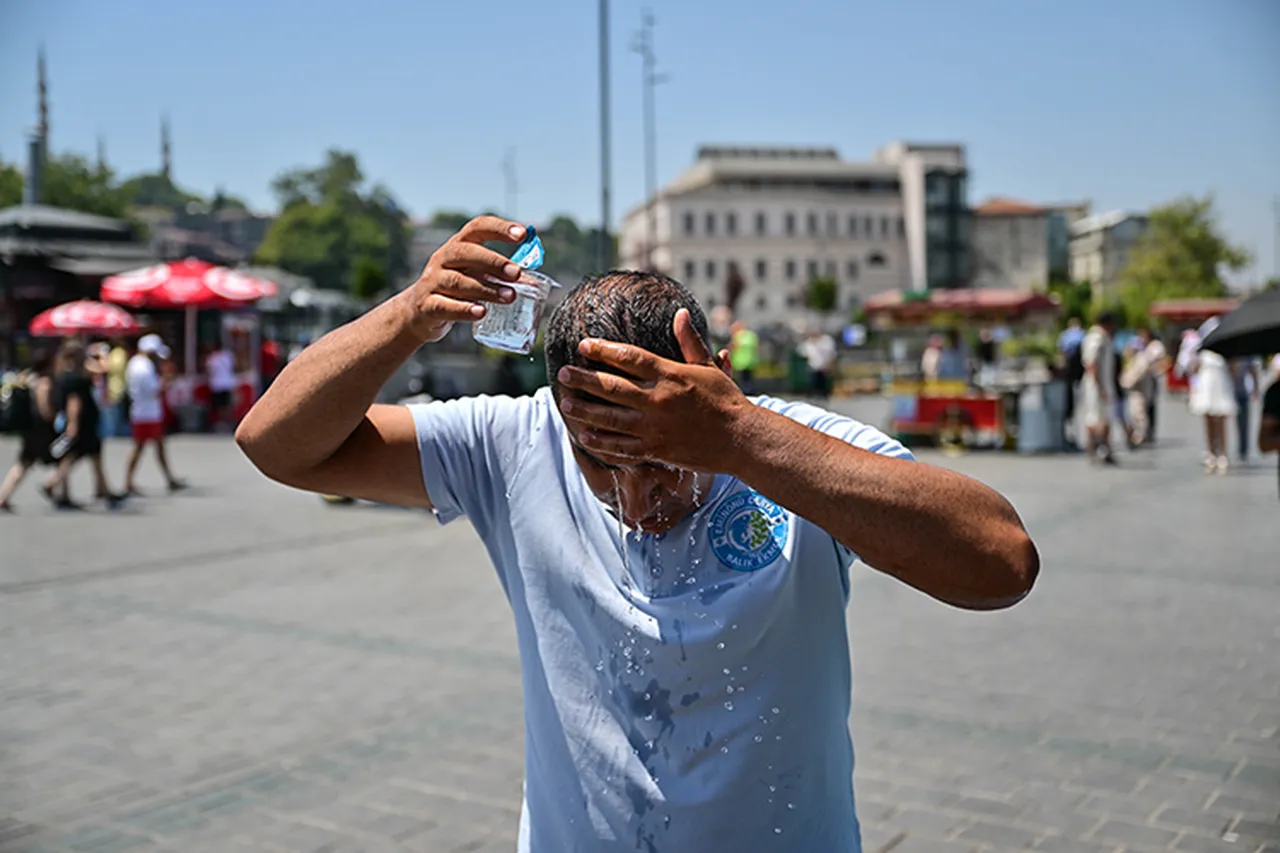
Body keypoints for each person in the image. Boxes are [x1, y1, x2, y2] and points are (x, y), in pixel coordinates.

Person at [236, 216, 1040, 853]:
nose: (636, 496)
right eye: (602, 463)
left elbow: (1002, 562)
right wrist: (409, 315)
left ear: (716, 375)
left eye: (662, 460)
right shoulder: (515, 442)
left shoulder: (788, 444)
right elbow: (275, 442)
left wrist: (735, 437)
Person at [43, 341, 124, 509]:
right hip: (82, 422)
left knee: (94, 454)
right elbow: (75, 402)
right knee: (72, 456)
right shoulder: (77, 375)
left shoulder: (64, 372)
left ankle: (102, 488)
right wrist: (101, 355)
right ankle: (55, 485)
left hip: (84, 421)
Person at [124, 334, 186, 494]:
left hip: (143, 411)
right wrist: (167, 380)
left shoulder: (135, 364)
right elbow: (154, 391)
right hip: (147, 413)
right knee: (140, 447)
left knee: (156, 445)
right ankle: (129, 482)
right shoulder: (144, 368)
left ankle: (168, 478)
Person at [0, 351, 57, 512]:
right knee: (64, 455)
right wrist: (53, 417)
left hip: (28, 427)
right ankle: (54, 485)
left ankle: (3, 496)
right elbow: (44, 407)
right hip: (41, 429)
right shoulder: (44, 382)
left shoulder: (26, 378)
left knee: (24, 462)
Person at [1186, 319, 1236, 473]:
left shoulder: (1225, 349)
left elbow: (1233, 368)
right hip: (1206, 386)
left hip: (1220, 385)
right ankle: (1211, 452)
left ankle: (1223, 453)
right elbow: (1193, 368)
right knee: (1208, 420)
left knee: (1221, 420)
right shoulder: (1202, 350)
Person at [1079, 312, 1119, 465]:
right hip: (1096, 385)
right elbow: (1091, 364)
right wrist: (1099, 387)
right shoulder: (1095, 339)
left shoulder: (1105, 338)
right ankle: (1093, 448)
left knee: (1106, 417)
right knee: (1094, 418)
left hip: (1104, 384)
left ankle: (1106, 448)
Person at [1119, 327, 1167, 448]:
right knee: (1138, 411)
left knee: (1143, 411)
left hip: (1145, 384)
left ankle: (1142, 435)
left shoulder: (1152, 349)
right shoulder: (1139, 352)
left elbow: (1161, 363)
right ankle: (1141, 434)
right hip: (1140, 385)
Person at [1229, 357, 1260, 463]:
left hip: (1242, 391)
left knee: (1243, 422)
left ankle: (1243, 450)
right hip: (1226, 390)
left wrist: (1255, 388)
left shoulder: (1247, 355)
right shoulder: (1227, 353)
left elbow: (1253, 370)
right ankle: (1217, 449)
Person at [206, 342, 238, 431]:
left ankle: (223, 423)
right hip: (227, 383)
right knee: (227, 405)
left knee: (220, 406)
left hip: (217, 384)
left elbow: (209, 371)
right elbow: (235, 367)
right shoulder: (228, 356)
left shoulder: (212, 358)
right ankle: (228, 422)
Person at [798, 327, 837, 400]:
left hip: (824, 366)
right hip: (813, 367)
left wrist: (830, 364)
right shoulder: (808, 343)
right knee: (814, 384)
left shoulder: (826, 340)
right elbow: (801, 352)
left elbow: (831, 353)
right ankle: (814, 397)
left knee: (824, 385)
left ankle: (824, 397)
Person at [728, 321, 759, 393]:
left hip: (740, 362)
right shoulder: (751, 335)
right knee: (748, 379)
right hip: (751, 361)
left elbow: (733, 347)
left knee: (741, 380)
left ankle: (744, 392)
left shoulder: (737, 336)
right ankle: (749, 391)